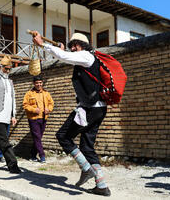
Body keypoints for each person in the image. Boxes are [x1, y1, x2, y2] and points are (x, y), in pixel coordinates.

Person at [33, 32, 111, 196]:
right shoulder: (87, 58)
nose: (73, 48)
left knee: (63, 136)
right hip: (98, 108)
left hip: (89, 108)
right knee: (86, 147)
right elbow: (65, 56)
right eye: (72, 45)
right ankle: (102, 186)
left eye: (75, 44)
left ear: (83, 45)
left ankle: (86, 168)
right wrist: (60, 50)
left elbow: (64, 57)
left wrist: (43, 45)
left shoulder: (86, 56)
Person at [23, 75, 54, 163]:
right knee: (37, 137)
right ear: (34, 83)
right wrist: (33, 110)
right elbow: (25, 105)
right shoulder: (29, 94)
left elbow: (51, 103)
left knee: (38, 137)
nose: (39, 84)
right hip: (33, 118)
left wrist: (49, 109)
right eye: (37, 83)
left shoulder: (46, 93)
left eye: (40, 83)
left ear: (42, 83)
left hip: (44, 118)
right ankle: (42, 155)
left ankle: (33, 155)